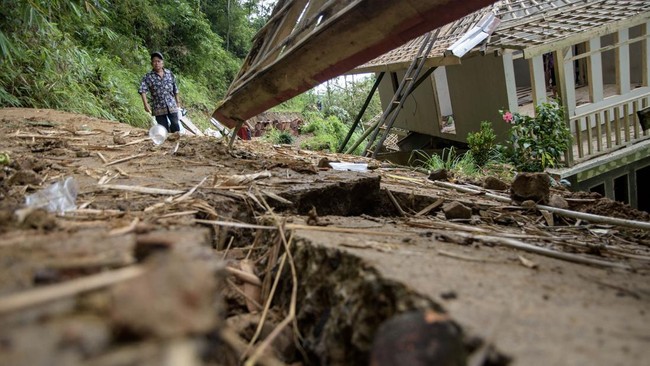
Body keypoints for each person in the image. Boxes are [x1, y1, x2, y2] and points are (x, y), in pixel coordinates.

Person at [139, 51, 181, 133]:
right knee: (163, 128)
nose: (157, 63)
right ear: (151, 63)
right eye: (154, 61)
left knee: (175, 124)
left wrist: (178, 103)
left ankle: (176, 140)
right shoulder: (148, 76)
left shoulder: (169, 74)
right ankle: (167, 142)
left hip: (171, 105)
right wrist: (146, 104)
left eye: (159, 61)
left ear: (162, 63)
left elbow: (175, 89)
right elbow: (142, 90)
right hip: (158, 107)